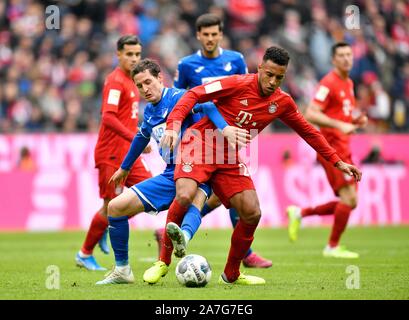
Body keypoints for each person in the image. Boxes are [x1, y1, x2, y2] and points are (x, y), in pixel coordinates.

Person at [159, 46, 362, 285]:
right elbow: (194, 94)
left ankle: (232, 273)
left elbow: (308, 131)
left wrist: (337, 161)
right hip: (201, 143)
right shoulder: (236, 83)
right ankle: (163, 262)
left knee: (252, 212)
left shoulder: (282, 102)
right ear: (260, 69)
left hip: (229, 157)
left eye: (279, 77)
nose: (273, 81)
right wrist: (173, 125)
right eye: (269, 74)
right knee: (184, 195)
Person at [95, 59, 248, 285]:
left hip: (198, 169)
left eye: (148, 82)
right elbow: (141, 136)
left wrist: (224, 129)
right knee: (116, 208)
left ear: (160, 78)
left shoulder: (179, 97)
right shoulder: (149, 111)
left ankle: (183, 238)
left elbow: (206, 105)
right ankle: (122, 270)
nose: (145, 89)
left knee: (192, 198)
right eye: (139, 86)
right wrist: (125, 167)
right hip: (169, 173)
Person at [154, 12, 272, 269]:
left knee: (229, 195)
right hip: (199, 138)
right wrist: (176, 127)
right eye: (205, 34)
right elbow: (180, 98)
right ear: (198, 35)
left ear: (220, 34)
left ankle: (180, 234)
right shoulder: (186, 65)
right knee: (204, 194)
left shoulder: (235, 60)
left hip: (231, 135)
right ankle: (244, 253)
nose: (209, 38)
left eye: (213, 34)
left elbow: (249, 92)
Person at [75, 35, 152, 271]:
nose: (134, 59)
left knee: (154, 194)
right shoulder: (115, 81)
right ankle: (84, 253)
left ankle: (107, 225)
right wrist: (136, 138)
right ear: (118, 54)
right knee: (110, 207)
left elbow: (126, 118)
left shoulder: (133, 81)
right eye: (129, 54)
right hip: (111, 154)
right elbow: (107, 118)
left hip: (128, 154)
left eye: (137, 54)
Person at [286, 42, 368, 259]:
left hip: (344, 147)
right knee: (349, 200)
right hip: (332, 150)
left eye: (349, 54)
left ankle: (301, 213)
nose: (346, 59)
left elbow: (340, 115)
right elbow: (311, 113)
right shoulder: (328, 83)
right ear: (333, 60)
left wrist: (354, 121)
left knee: (351, 201)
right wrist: (340, 126)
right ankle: (332, 246)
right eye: (341, 55)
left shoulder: (348, 83)